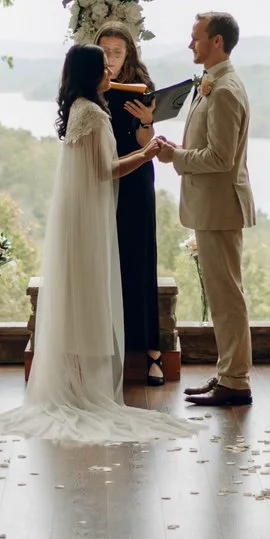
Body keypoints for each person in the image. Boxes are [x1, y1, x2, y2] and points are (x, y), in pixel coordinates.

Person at [0, 47, 191, 444]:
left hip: (74, 218)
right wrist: (146, 154)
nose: (108, 72)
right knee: (92, 293)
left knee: (76, 293)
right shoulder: (95, 114)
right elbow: (105, 171)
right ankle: (86, 388)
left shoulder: (77, 109)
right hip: (92, 218)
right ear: (89, 73)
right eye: (102, 67)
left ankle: (73, 378)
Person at [154, 11, 257, 408]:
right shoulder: (213, 83)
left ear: (217, 41)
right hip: (212, 207)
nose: (190, 43)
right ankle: (228, 373)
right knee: (221, 294)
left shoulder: (226, 89)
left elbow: (220, 157)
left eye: (195, 36)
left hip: (221, 207)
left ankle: (236, 379)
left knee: (227, 295)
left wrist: (174, 156)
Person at [96, 19, 165, 385]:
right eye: (105, 52)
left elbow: (146, 146)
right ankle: (105, 349)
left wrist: (148, 120)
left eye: (117, 52)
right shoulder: (90, 88)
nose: (111, 58)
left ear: (128, 55)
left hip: (136, 178)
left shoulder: (143, 87)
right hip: (100, 178)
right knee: (104, 260)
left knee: (140, 259)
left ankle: (152, 353)